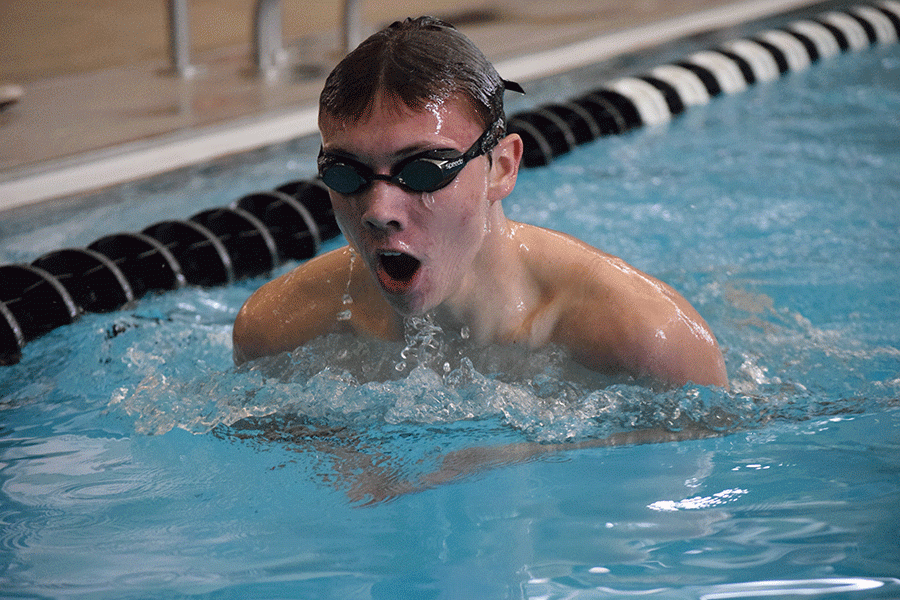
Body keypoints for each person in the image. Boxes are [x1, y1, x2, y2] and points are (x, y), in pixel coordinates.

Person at [233, 16, 728, 388]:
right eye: (346, 173)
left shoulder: (646, 340)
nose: (378, 209)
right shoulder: (279, 331)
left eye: (424, 170)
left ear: (503, 167)